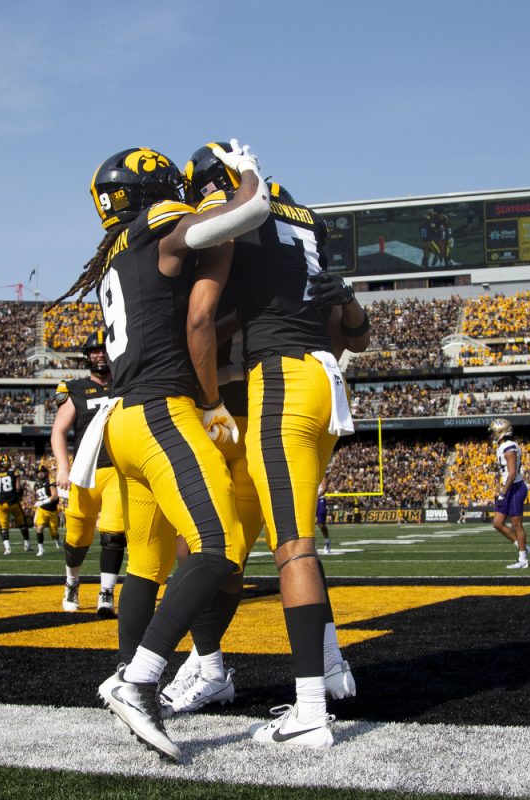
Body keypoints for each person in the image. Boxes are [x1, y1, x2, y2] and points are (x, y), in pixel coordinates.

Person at [59, 143, 269, 762]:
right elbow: (248, 209)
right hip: (160, 413)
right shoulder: (159, 227)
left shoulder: (116, 253)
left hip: (122, 421)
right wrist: (248, 171)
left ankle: (125, 671)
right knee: (218, 545)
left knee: (145, 567)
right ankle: (141, 680)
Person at [183, 150, 367, 747]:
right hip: (322, 376)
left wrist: (208, 397)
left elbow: (204, 316)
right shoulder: (306, 218)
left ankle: (310, 709)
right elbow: (354, 334)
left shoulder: (243, 210)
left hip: (281, 382)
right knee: (293, 538)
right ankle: (331, 660)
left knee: (290, 548)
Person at [51, 331, 126, 616]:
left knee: (113, 533)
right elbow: (58, 431)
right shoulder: (75, 389)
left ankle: (106, 592)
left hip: (116, 469)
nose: (99, 355)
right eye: (94, 351)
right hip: (85, 471)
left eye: (103, 349)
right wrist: (62, 466)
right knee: (77, 537)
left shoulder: (124, 383)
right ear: (87, 356)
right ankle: (72, 582)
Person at [489, 418, 530, 568]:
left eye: (494, 432)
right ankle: (522, 546)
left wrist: (503, 492)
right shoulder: (503, 446)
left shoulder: (509, 447)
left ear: (501, 432)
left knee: (516, 524)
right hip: (509, 487)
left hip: (515, 487)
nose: (492, 435)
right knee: (497, 523)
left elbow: (512, 473)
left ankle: (523, 559)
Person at [0, 454, 30, 555]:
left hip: (1, 503)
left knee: (3, 526)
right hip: (13, 502)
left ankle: (7, 548)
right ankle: (27, 544)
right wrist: (20, 494)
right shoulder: (13, 472)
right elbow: (17, 487)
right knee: (22, 522)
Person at [31, 467, 59, 558]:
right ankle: (41, 549)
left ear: (46, 472)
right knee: (39, 528)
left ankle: (57, 541)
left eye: (42, 472)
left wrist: (42, 502)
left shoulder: (50, 481)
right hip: (42, 509)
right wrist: (36, 504)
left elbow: (54, 496)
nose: (40, 474)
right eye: (38, 472)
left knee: (54, 533)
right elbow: (36, 498)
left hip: (52, 510)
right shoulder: (36, 485)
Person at [317, 477, 332, 555]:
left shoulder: (322, 475)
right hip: (309, 499)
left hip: (319, 499)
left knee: (321, 524)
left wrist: (317, 496)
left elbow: (325, 488)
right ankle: (310, 546)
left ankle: (327, 541)